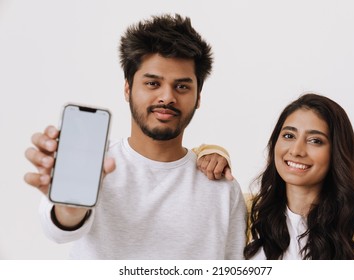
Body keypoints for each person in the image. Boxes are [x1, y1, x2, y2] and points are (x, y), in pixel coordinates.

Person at [24, 14, 247, 259]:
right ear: (128, 89)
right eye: (153, 84)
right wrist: (70, 208)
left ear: (199, 97)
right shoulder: (92, 162)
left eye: (182, 86)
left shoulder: (222, 188)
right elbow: (60, 230)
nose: (167, 97)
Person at [241, 93, 354, 260]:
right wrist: (209, 152)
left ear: (336, 153)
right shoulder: (246, 210)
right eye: (289, 136)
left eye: (315, 140)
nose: (296, 151)